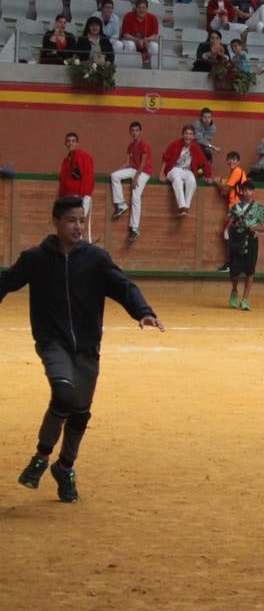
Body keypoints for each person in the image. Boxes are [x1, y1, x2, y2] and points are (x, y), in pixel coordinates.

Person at [5, 196, 165, 503]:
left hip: (88, 347)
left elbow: (123, 286)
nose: (78, 227)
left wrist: (142, 310)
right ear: (55, 223)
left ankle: (64, 468)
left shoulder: (96, 259)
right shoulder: (35, 259)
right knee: (63, 393)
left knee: (80, 412)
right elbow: (7, 281)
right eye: (71, 221)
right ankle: (41, 457)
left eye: (82, 220)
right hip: (52, 342)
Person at [225, 180, 264, 311]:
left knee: (250, 270)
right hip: (237, 240)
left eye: (250, 190)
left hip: (251, 240)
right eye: (245, 190)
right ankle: (234, 290)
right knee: (235, 270)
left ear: (253, 192)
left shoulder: (259, 208)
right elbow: (229, 224)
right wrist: (231, 229)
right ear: (242, 191)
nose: (248, 192)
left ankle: (245, 299)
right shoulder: (235, 208)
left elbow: (263, 227)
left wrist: (254, 228)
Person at [109, 121, 151, 241]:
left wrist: (136, 178)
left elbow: (143, 163)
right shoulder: (130, 146)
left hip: (144, 171)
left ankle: (134, 228)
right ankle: (121, 204)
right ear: (130, 132)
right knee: (114, 176)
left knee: (136, 196)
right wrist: (116, 171)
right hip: (134, 169)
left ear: (140, 132)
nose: (134, 133)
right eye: (132, 131)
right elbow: (127, 163)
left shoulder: (144, 144)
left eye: (137, 130)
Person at [160, 124, 211, 219]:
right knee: (177, 179)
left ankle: (186, 207)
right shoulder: (175, 144)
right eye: (186, 133)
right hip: (173, 169)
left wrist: (208, 175)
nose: (188, 136)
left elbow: (204, 162)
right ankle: (182, 207)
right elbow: (165, 159)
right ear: (183, 134)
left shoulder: (196, 148)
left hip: (187, 170)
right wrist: (161, 173)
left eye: (191, 134)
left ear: (193, 136)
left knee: (192, 180)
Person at [57, 132, 95, 223]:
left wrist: (83, 197)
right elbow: (63, 180)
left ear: (77, 143)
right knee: (70, 225)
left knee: (77, 224)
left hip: (80, 196)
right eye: (68, 141)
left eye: (73, 141)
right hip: (68, 198)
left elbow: (89, 177)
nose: (71, 143)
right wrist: (61, 196)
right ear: (65, 144)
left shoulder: (85, 157)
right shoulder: (66, 161)